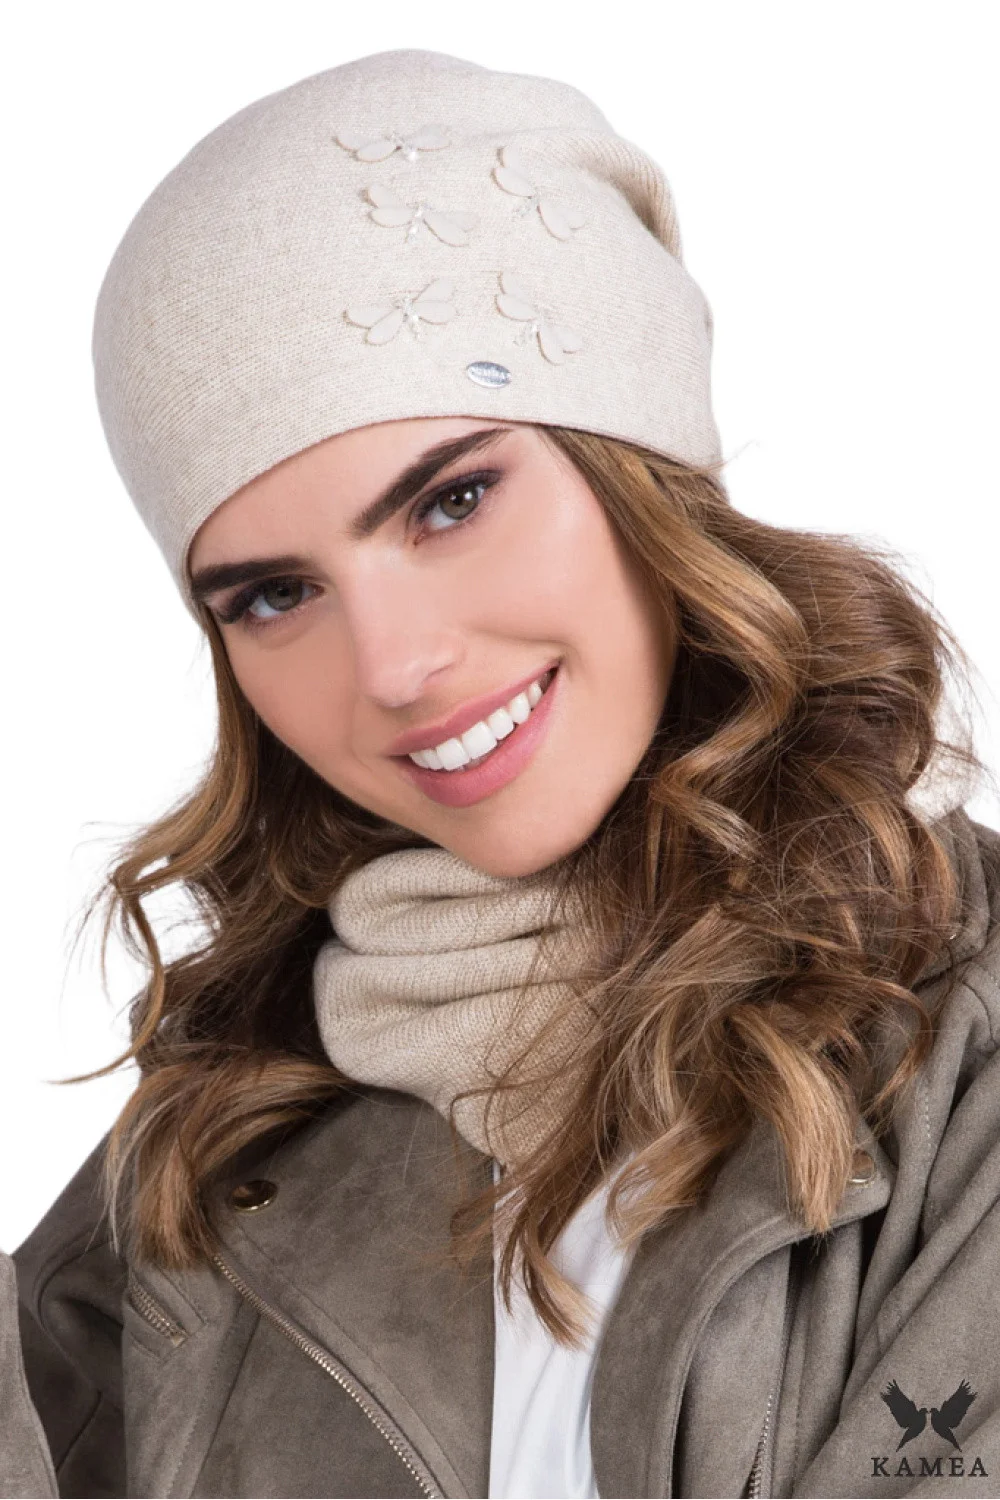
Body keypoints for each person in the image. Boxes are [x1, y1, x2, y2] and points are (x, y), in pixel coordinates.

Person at [4, 46, 1000, 1500]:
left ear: (638, 468)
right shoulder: (227, 1127)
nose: (394, 666)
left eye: (452, 499)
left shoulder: (963, 1051)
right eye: (274, 595)